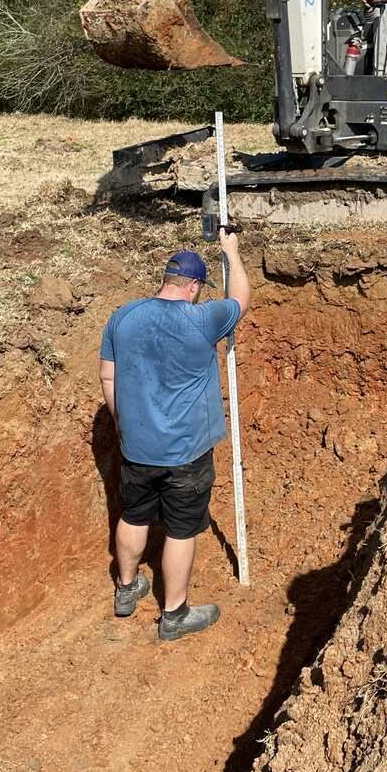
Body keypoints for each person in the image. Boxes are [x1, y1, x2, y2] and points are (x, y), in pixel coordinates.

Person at [98, 229, 250, 642]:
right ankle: (175, 614)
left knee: (133, 515)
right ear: (194, 286)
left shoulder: (122, 317)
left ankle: (126, 589)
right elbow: (240, 299)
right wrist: (232, 253)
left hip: (137, 447)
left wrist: (121, 421)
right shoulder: (202, 319)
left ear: (166, 279)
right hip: (186, 453)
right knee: (182, 529)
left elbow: (108, 376)